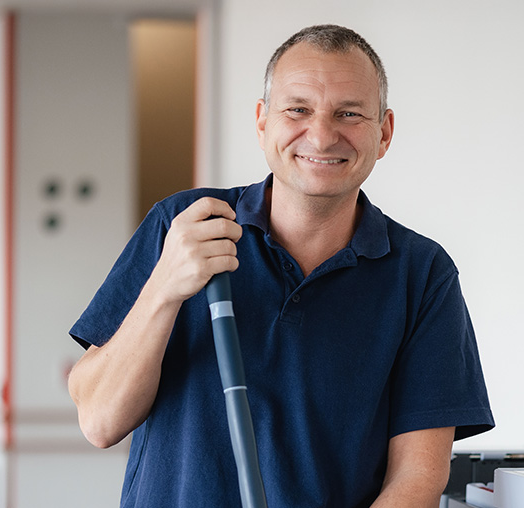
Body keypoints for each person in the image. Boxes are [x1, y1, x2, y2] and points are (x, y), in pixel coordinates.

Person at [68, 24, 494, 508]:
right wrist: (164, 289)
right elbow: (99, 422)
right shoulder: (184, 225)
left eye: (348, 113)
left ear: (384, 132)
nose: (321, 134)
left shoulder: (421, 274)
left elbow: (417, 478)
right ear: (262, 121)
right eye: (298, 109)